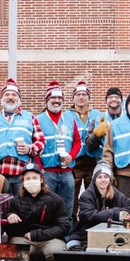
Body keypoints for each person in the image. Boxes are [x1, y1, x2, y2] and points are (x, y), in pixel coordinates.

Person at [3, 163, 71, 261]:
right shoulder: (15, 201)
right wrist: (9, 217)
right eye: (28, 178)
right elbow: (11, 231)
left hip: (50, 239)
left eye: (35, 178)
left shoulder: (55, 200)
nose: (31, 181)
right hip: (23, 239)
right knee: (16, 252)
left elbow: (64, 226)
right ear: (23, 182)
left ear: (41, 179)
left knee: (57, 254)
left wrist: (38, 234)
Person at [33, 81, 85, 212]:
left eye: (59, 98)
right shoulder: (37, 119)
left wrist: (71, 156)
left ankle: (66, 233)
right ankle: (49, 232)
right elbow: (34, 145)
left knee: (67, 208)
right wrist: (40, 168)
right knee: (47, 208)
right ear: (47, 100)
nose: (56, 101)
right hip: (47, 172)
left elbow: (77, 142)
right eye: (53, 98)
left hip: (67, 172)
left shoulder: (69, 118)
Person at [0, 79, 43, 181]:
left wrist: (29, 149)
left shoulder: (30, 117)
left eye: (14, 94)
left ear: (19, 98)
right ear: (2, 98)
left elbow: (41, 142)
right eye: (7, 94)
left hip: (22, 173)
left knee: (22, 197)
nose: (10, 97)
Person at [69, 78, 111, 194]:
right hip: (75, 162)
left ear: (88, 98)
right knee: (73, 194)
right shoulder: (67, 115)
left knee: (93, 194)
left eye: (84, 94)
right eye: (78, 94)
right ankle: (73, 213)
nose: (81, 97)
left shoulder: (98, 115)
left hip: (93, 161)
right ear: (74, 97)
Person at [73, 164, 130, 241]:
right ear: (94, 180)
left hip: (112, 234)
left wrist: (105, 214)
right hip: (86, 235)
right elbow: (89, 216)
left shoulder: (118, 195)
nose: (103, 180)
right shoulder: (86, 196)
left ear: (110, 179)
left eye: (106, 177)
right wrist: (115, 213)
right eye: (99, 177)